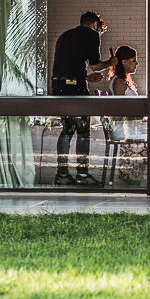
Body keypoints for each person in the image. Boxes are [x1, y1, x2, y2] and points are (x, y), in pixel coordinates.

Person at [51, 11, 116, 185]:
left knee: (67, 130)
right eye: (100, 29)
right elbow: (95, 65)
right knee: (83, 131)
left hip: (59, 87)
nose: (99, 33)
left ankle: (62, 174)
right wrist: (111, 62)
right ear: (95, 24)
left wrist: (85, 78)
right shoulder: (92, 34)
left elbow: (66, 68)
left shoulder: (64, 36)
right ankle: (82, 175)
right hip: (76, 89)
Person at [106, 45, 148, 183]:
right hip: (125, 128)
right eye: (133, 60)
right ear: (124, 61)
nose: (137, 63)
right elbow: (121, 109)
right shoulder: (118, 82)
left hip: (132, 125)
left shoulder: (123, 80)